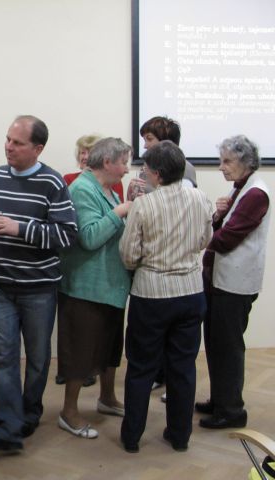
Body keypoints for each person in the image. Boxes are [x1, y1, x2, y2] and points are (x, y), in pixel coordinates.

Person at [0, 115, 77, 453]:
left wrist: (21, 229)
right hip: (1, 285)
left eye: (17, 142)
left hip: (39, 289)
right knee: (3, 357)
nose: (8, 147)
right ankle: (6, 428)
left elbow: (66, 234)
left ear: (37, 148)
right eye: (8, 139)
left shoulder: (52, 182)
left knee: (38, 358)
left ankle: (30, 413)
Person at [119, 141, 213, 453]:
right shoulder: (201, 198)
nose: (143, 174)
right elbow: (205, 239)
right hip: (191, 292)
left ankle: (132, 437)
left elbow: (128, 255)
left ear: (157, 174)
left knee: (141, 367)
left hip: (151, 295)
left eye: (145, 169)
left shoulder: (144, 205)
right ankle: (180, 436)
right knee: (183, 367)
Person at [56, 138, 133, 440]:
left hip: (110, 286)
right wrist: (121, 212)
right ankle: (69, 412)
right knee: (80, 352)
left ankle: (107, 398)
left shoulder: (108, 190)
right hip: (85, 288)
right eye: (123, 162)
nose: (127, 169)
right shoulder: (82, 189)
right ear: (107, 162)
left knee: (109, 348)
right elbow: (88, 237)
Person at [197, 135, 270, 430]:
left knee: (228, 347)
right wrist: (218, 215)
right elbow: (223, 226)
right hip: (221, 281)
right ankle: (220, 400)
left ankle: (231, 410)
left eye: (227, 161)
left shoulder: (255, 194)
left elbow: (227, 238)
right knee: (216, 344)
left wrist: (196, 238)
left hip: (234, 284)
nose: (221, 167)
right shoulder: (241, 188)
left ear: (245, 162)